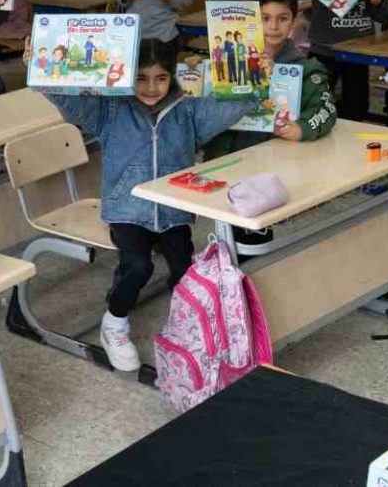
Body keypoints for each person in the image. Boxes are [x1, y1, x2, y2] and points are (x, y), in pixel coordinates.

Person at [41, 39, 250, 371]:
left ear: (172, 77)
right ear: (127, 75)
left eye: (161, 78)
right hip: (127, 209)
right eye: (141, 78)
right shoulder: (109, 110)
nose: (152, 88)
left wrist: (255, 75)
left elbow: (230, 106)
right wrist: (38, 65)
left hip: (173, 209)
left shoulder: (187, 108)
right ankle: (114, 322)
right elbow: (66, 98)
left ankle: (187, 322)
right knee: (138, 265)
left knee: (185, 269)